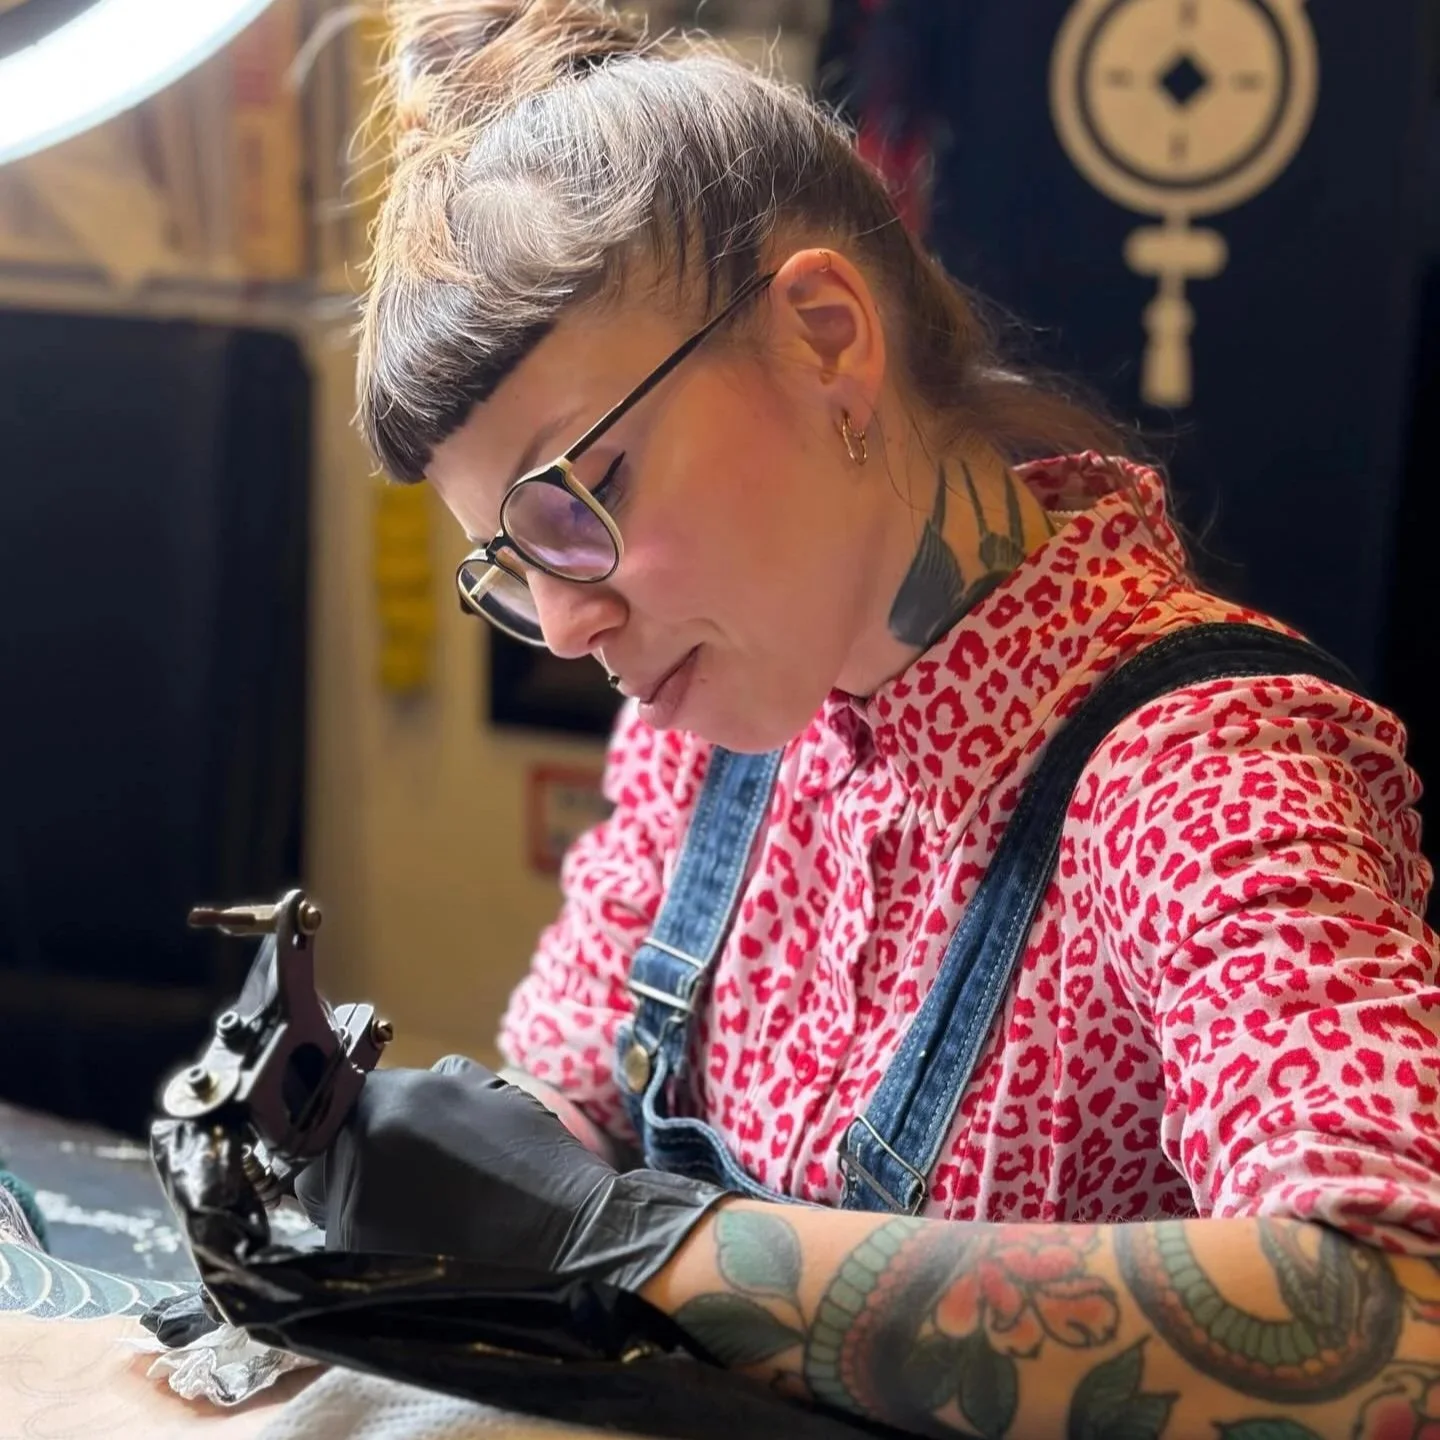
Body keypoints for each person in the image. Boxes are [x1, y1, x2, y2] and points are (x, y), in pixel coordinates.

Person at [6, 0, 1440, 1436]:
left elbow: (1401, 1319)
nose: (565, 623)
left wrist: (638, 1248)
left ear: (825, 339)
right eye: (512, 564)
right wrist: (409, 1216)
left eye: (586, 495)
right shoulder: (717, 725)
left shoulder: (1204, 772)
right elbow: (574, 1115)